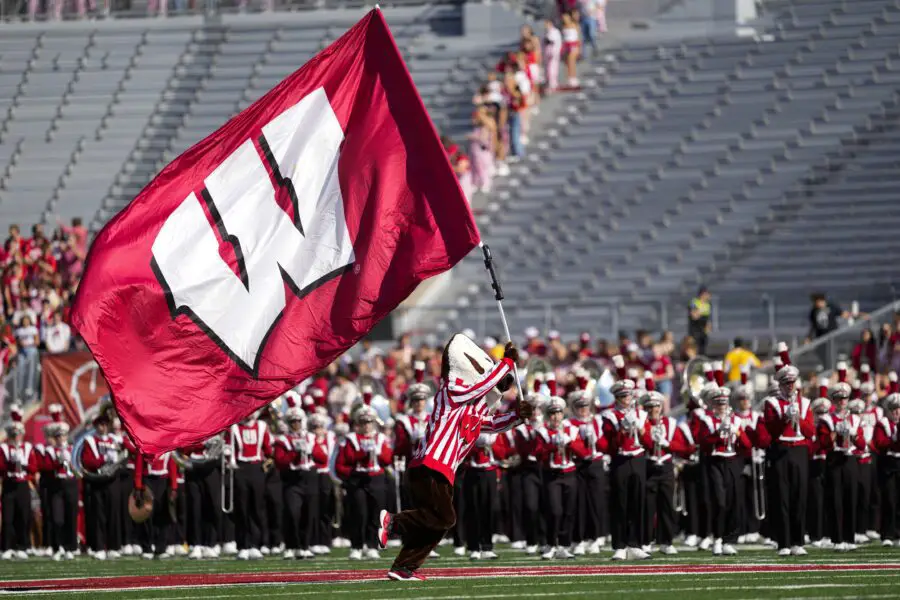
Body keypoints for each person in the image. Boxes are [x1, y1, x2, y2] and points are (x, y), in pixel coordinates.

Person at [380, 334, 524, 581]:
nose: (501, 388)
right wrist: (506, 364)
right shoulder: (452, 387)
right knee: (445, 518)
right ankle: (393, 522)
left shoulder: (472, 406)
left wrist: (519, 415)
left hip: (442, 468)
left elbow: (490, 423)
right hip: (431, 464)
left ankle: (404, 567)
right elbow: (479, 387)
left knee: (437, 523)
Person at [762, 343, 815, 556]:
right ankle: (783, 542)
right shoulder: (772, 403)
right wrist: (786, 417)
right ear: (780, 385)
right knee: (782, 497)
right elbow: (772, 430)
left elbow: (810, 431)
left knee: (799, 496)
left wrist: (799, 419)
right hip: (781, 450)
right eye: (785, 383)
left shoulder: (805, 403)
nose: (789, 387)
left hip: (799, 451)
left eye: (792, 383)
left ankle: (797, 541)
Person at [601, 356, 649, 560]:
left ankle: (635, 543)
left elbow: (646, 439)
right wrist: (622, 428)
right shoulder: (610, 416)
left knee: (638, 502)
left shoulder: (641, 413)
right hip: (620, 460)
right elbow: (610, 444)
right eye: (622, 396)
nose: (626, 399)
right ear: (617, 398)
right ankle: (619, 545)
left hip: (637, 459)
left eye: (628, 396)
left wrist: (639, 427)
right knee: (620, 502)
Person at [698, 386, 752, 556]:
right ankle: (718, 538)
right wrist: (718, 433)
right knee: (720, 502)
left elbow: (747, 446)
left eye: (724, 403)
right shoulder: (707, 421)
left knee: (733, 501)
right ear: (713, 405)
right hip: (716, 461)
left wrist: (737, 431)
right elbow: (704, 443)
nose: (721, 406)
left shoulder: (736, 420)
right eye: (718, 403)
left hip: (733, 461)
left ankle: (729, 540)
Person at [534, 396, 589, 559]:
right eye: (552, 413)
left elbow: (583, 453)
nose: (555, 417)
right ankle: (551, 544)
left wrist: (570, 443)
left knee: (569, 511)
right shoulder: (542, 431)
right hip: (552, 475)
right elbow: (538, 454)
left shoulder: (571, 430)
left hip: (570, 473)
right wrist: (551, 445)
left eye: (558, 413)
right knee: (554, 510)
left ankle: (564, 545)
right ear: (547, 415)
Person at [335, 405, 392, 560]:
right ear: (358, 424)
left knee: (376, 513)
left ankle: (372, 545)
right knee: (359, 513)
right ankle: (357, 546)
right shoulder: (351, 439)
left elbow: (387, 460)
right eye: (363, 422)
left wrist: (379, 452)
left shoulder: (380, 439)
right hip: (358, 480)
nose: (367, 426)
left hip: (376, 479)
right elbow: (340, 464)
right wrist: (360, 456)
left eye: (369, 422)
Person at [642, 389, 693, 555]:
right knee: (647, 507)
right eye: (649, 407)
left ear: (661, 407)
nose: (653, 410)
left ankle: (666, 541)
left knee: (667, 506)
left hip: (665, 466)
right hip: (647, 466)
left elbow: (683, 448)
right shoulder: (641, 423)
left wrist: (666, 444)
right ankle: (646, 540)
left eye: (656, 406)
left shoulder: (671, 423)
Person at [228, 411, 273, 560]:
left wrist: (266, 464)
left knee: (257, 507)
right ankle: (243, 545)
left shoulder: (261, 426)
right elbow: (230, 448)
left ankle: (256, 544)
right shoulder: (234, 427)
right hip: (240, 468)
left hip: (257, 468)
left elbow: (268, 450)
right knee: (241, 507)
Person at [0, 420, 37, 559]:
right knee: (8, 517)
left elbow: (34, 468)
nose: (16, 437)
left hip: (22, 485)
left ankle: (24, 546)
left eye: (18, 434)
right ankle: (7, 547)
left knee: (24, 516)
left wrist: (25, 464)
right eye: (13, 434)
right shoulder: (3, 449)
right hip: (9, 484)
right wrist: (10, 463)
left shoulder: (27, 448)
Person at [688, 287, 712, 356]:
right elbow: (694, 316)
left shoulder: (707, 305)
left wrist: (708, 327)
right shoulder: (694, 302)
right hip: (695, 331)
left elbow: (707, 319)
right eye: (707, 294)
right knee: (695, 350)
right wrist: (701, 310)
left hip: (703, 332)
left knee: (703, 350)